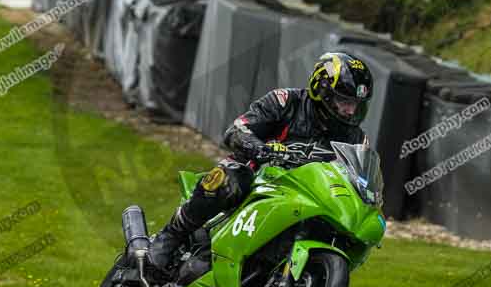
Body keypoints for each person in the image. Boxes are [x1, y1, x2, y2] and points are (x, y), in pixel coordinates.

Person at [147, 51, 373, 273]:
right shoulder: (286, 102)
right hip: (259, 180)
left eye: (356, 104)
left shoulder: (356, 138)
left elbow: (361, 177)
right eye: (344, 101)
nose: (350, 110)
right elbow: (237, 130)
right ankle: (171, 235)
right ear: (320, 89)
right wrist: (261, 149)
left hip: (305, 198)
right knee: (233, 179)